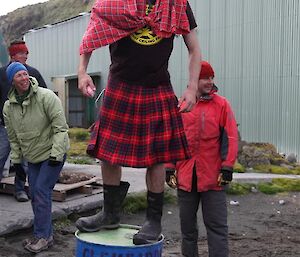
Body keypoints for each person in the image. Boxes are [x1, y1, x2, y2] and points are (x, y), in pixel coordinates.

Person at [75, 0, 202, 245]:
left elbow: (194, 48)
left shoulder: (177, 4)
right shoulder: (115, 2)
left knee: (156, 157)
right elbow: (90, 35)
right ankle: (110, 214)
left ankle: (153, 221)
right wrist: (82, 71)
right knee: (108, 153)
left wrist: (192, 87)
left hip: (157, 86)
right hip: (120, 84)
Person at [165, 61, 238, 257]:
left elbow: (230, 137)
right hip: (186, 178)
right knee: (188, 230)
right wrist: (170, 168)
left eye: (211, 77)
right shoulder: (182, 105)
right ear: (194, 79)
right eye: (205, 77)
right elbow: (172, 138)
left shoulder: (222, 105)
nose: (209, 81)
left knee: (217, 228)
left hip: (213, 178)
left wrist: (227, 167)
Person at [3, 62, 69, 253]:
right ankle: (44, 234)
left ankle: (42, 236)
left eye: (25, 74)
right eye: (18, 76)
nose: (24, 78)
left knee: (41, 191)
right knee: (34, 193)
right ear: (12, 81)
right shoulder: (9, 107)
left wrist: (56, 155)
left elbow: (61, 128)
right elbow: (13, 136)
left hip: (52, 153)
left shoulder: (46, 97)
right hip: (33, 156)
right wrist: (16, 158)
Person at [0, 40, 47, 202]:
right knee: (1, 155)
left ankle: (20, 189)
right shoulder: (1, 74)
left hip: (29, 127)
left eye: (27, 53)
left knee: (25, 161)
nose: (26, 56)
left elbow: (45, 96)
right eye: (22, 53)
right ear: (13, 56)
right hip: (5, 126)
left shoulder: (33, 73)